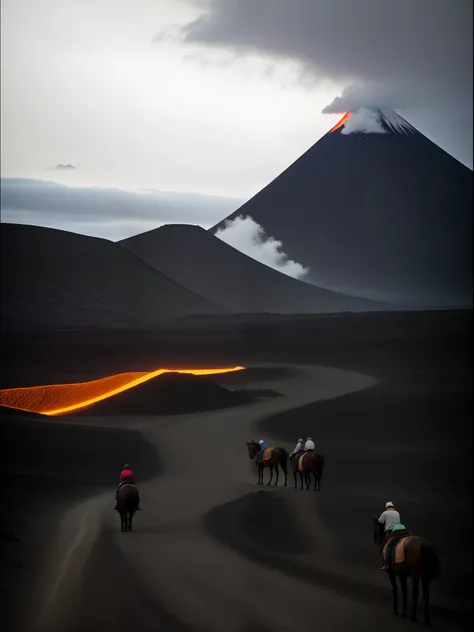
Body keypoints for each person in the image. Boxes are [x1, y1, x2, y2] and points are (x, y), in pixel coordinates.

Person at [378, 501, 408, 570]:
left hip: (392, 532)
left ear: (386, 507)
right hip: (402, 530)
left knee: (389, 547)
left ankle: (387, 564)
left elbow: (380, 522)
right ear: (393, 507)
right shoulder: (397, 513)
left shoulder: (385, 513)